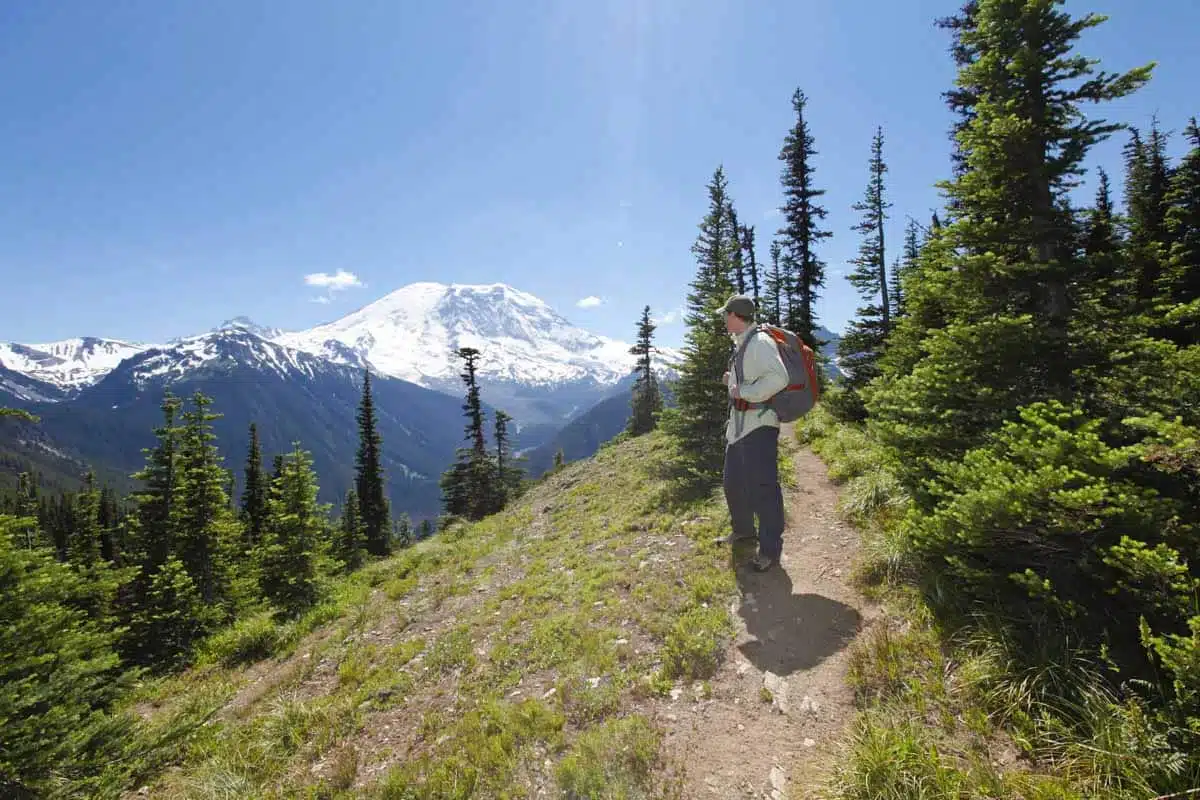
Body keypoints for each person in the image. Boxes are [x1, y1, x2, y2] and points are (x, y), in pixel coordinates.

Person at [717, 294, 789, 572]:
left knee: (763, 489)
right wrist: (731, 381)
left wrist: (742, 391)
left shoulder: (759, 342)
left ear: (736, 315)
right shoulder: (743, 343)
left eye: (726, 314)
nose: (724, 319)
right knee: (732, 482)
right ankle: (744, 530)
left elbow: (778, 378)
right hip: (739, 428)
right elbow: (749, 379)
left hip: (758, 426)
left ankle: (770, 549)